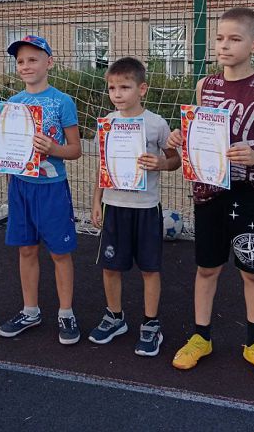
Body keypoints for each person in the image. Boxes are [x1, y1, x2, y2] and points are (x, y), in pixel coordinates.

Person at [167, 7, 254, 382]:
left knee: (253, 271)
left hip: (249, 193)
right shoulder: (205, 86)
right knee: (207, 267)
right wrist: (180, 137)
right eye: (220, 38)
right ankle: (201, 337)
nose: (224, 45)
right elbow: (199, 134)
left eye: (234, 39)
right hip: (210, 190)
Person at [88, 57, 181, 357]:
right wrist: (96, 201)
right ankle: (114, 317)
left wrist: (161, 163)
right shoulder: (107, 123)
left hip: (146, 208)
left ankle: (151, 324)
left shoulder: (156, 124)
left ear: (142, 89)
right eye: (112, 88)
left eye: (124, 87)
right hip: (114, 206)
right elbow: (103, 167)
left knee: (150, 269)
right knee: (110, 266)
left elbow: (175, 160)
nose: (117, 94)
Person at [0, 35, 83, 345]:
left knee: (59, 252)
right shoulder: (12, 104)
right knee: (26, 249)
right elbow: (7, 149)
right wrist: (8, 170)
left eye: (32, 59)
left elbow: (75, 150)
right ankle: (30, 310)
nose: (25, 66)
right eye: (20, 61)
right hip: (21, 187)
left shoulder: (62, 102)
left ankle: (66, 312)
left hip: (51, 189)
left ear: (50, 62)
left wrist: (53, 149)